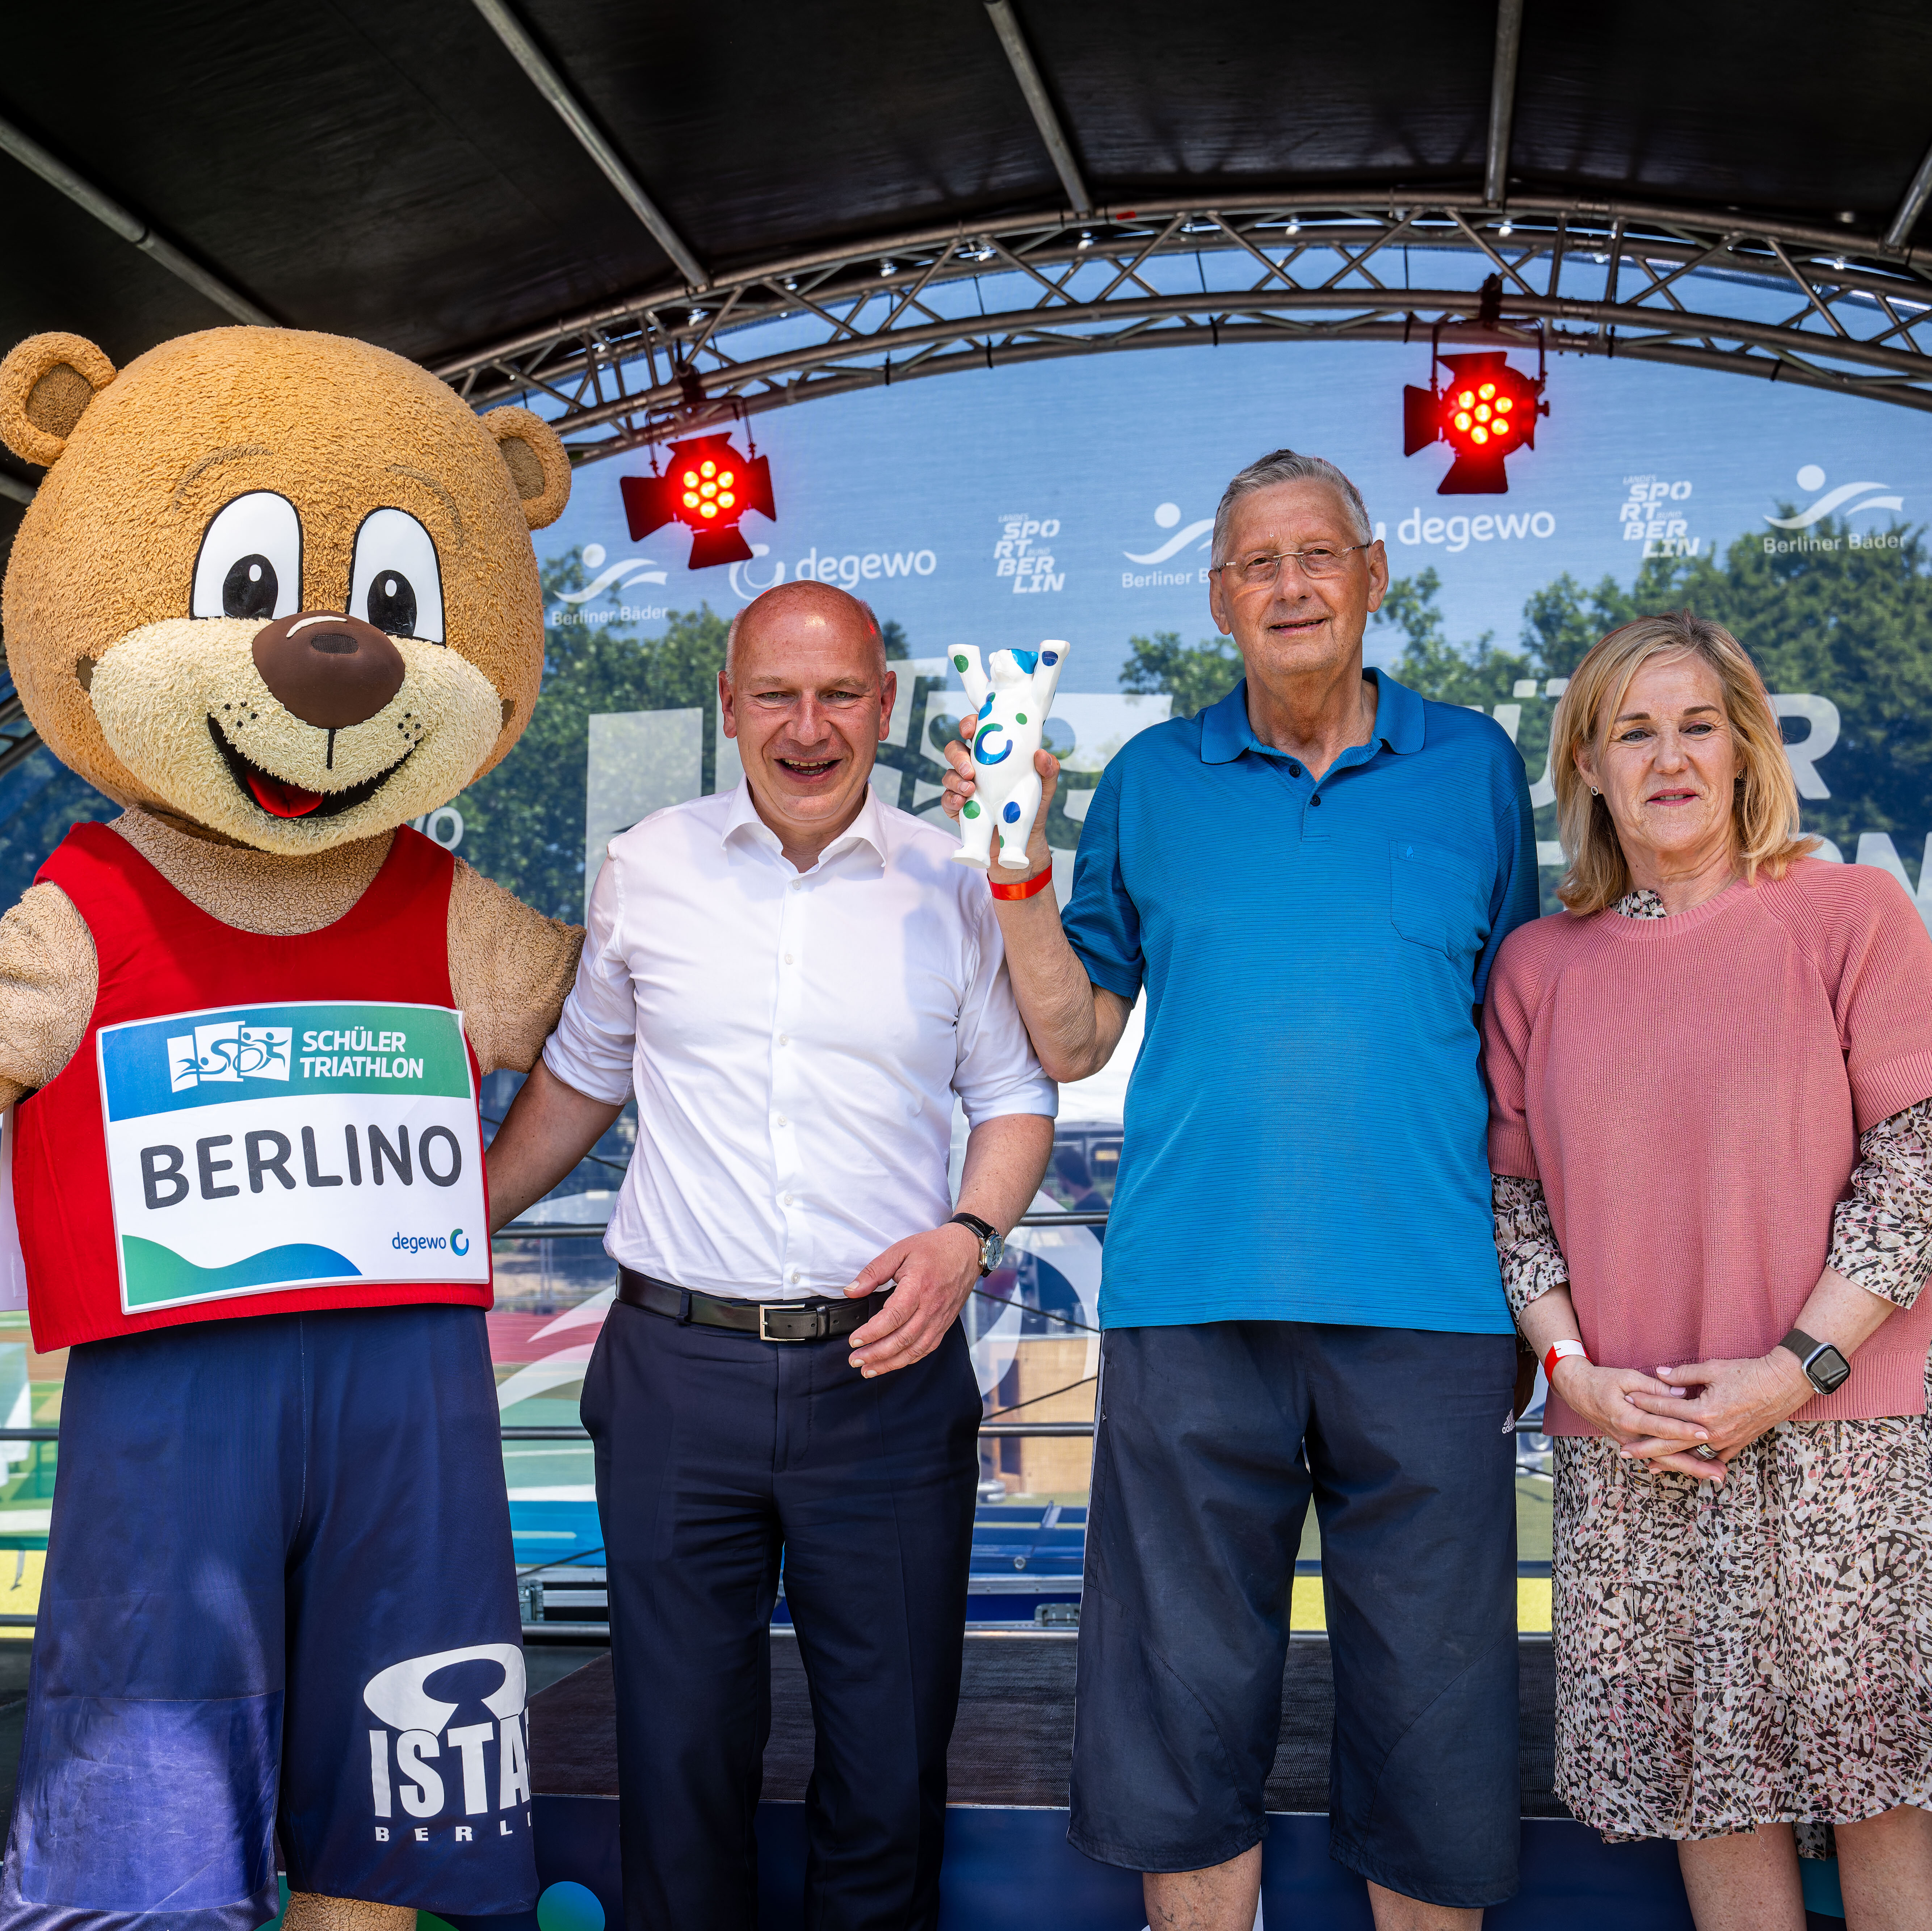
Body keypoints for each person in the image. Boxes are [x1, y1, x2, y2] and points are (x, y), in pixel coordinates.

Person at [943, 449, 1538, 1928]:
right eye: (1253, 562)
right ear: (1217, 598)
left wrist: (1544, 1287)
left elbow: (1519, 1031)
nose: (1286, 583)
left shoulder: (1471, 765)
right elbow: (1074, 1030)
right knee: (1177, 1718)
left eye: (1313, 553)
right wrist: (1013, 873)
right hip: (1193, 1298)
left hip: (1430, 1305)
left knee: (1438, 1722)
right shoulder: (1150, 778)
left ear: (1371, 572)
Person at [487, 579, 1055, 1931]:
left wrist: (968, 1239)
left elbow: (1018, 1101)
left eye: (841, 695)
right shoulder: (648, 866)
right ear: (729, 708)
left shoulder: (956, 883)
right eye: (779, 697)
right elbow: (581, 1081)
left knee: (891, 1752)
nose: (810, 728)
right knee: (676, 1752)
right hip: (677, 1375)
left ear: (886, 707)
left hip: (888, 1374)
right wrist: (449, 1227)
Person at [1483, 612, 1932, 1931]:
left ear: (1745, 750)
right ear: (1591, 766)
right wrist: (1581, 1378)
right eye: (1634, 731)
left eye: (1697, 726)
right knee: (1706, 1794)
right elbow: (1517, 1213)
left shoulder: (1850, 912)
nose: (1668, 759)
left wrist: (1791, 1372)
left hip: (1845, 1436)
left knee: (1884, 1788)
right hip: (1641, 1453)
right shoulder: (1538, 967)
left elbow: (1918, 1165)